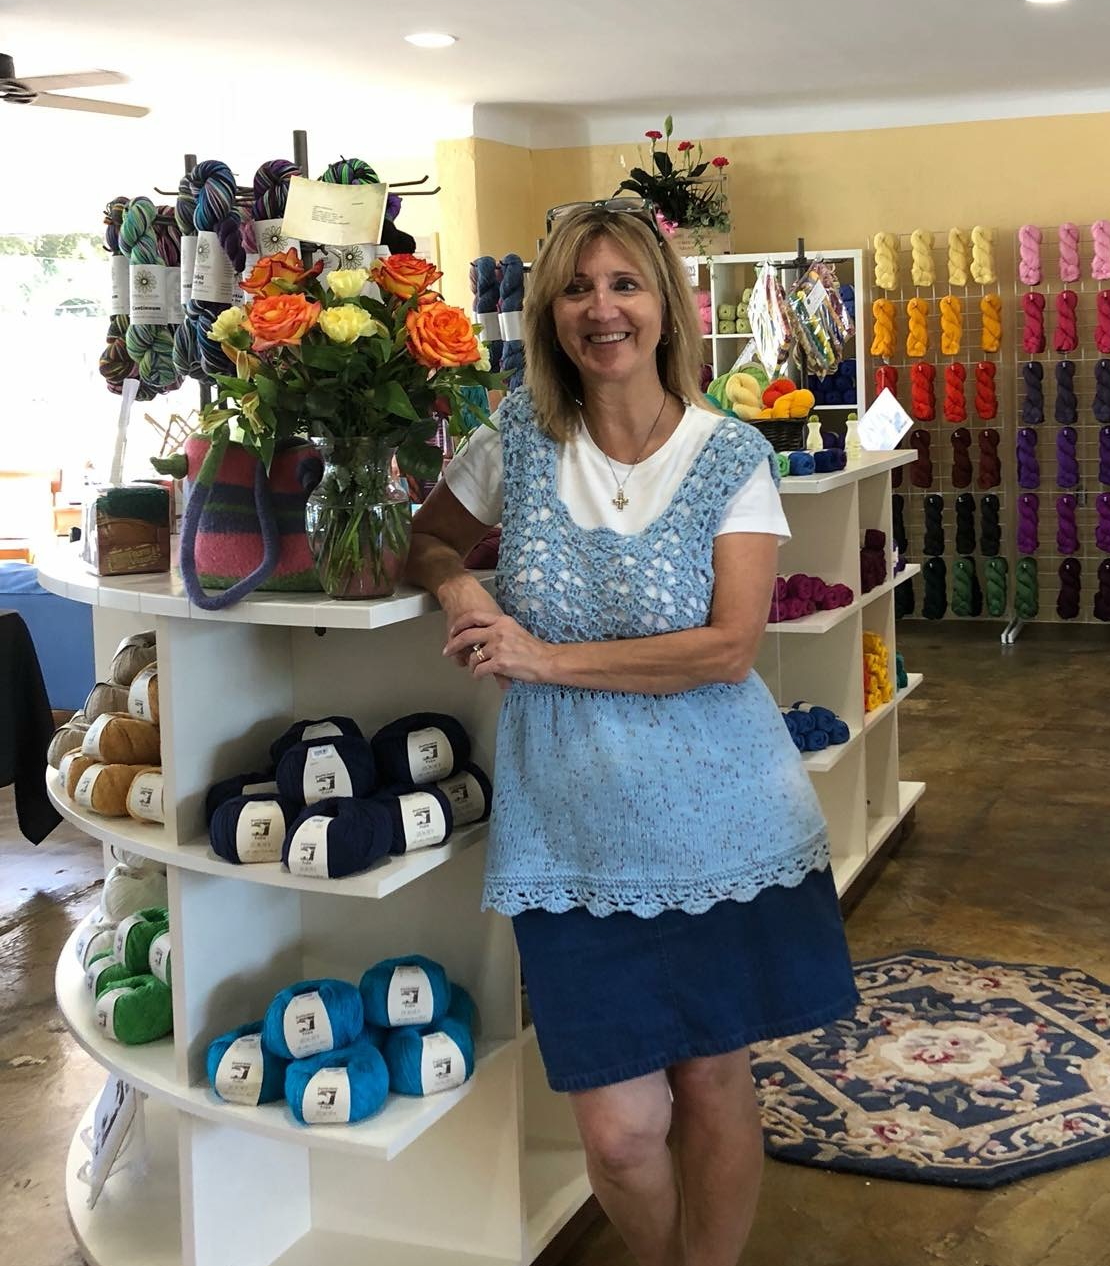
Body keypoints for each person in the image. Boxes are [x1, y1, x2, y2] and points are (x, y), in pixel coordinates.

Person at [405, 199, 858, 1266]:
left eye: (623, 285)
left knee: (713, 1079)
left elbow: (727, 648)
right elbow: (428, 538)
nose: (599, 309)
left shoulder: (729, 453)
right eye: (575, 286)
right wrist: (458, 594)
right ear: (551, 310)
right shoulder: (513, 437)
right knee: (617, 1132)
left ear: (665, 309)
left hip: (723, 818)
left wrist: (542, 660)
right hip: (569, 831)